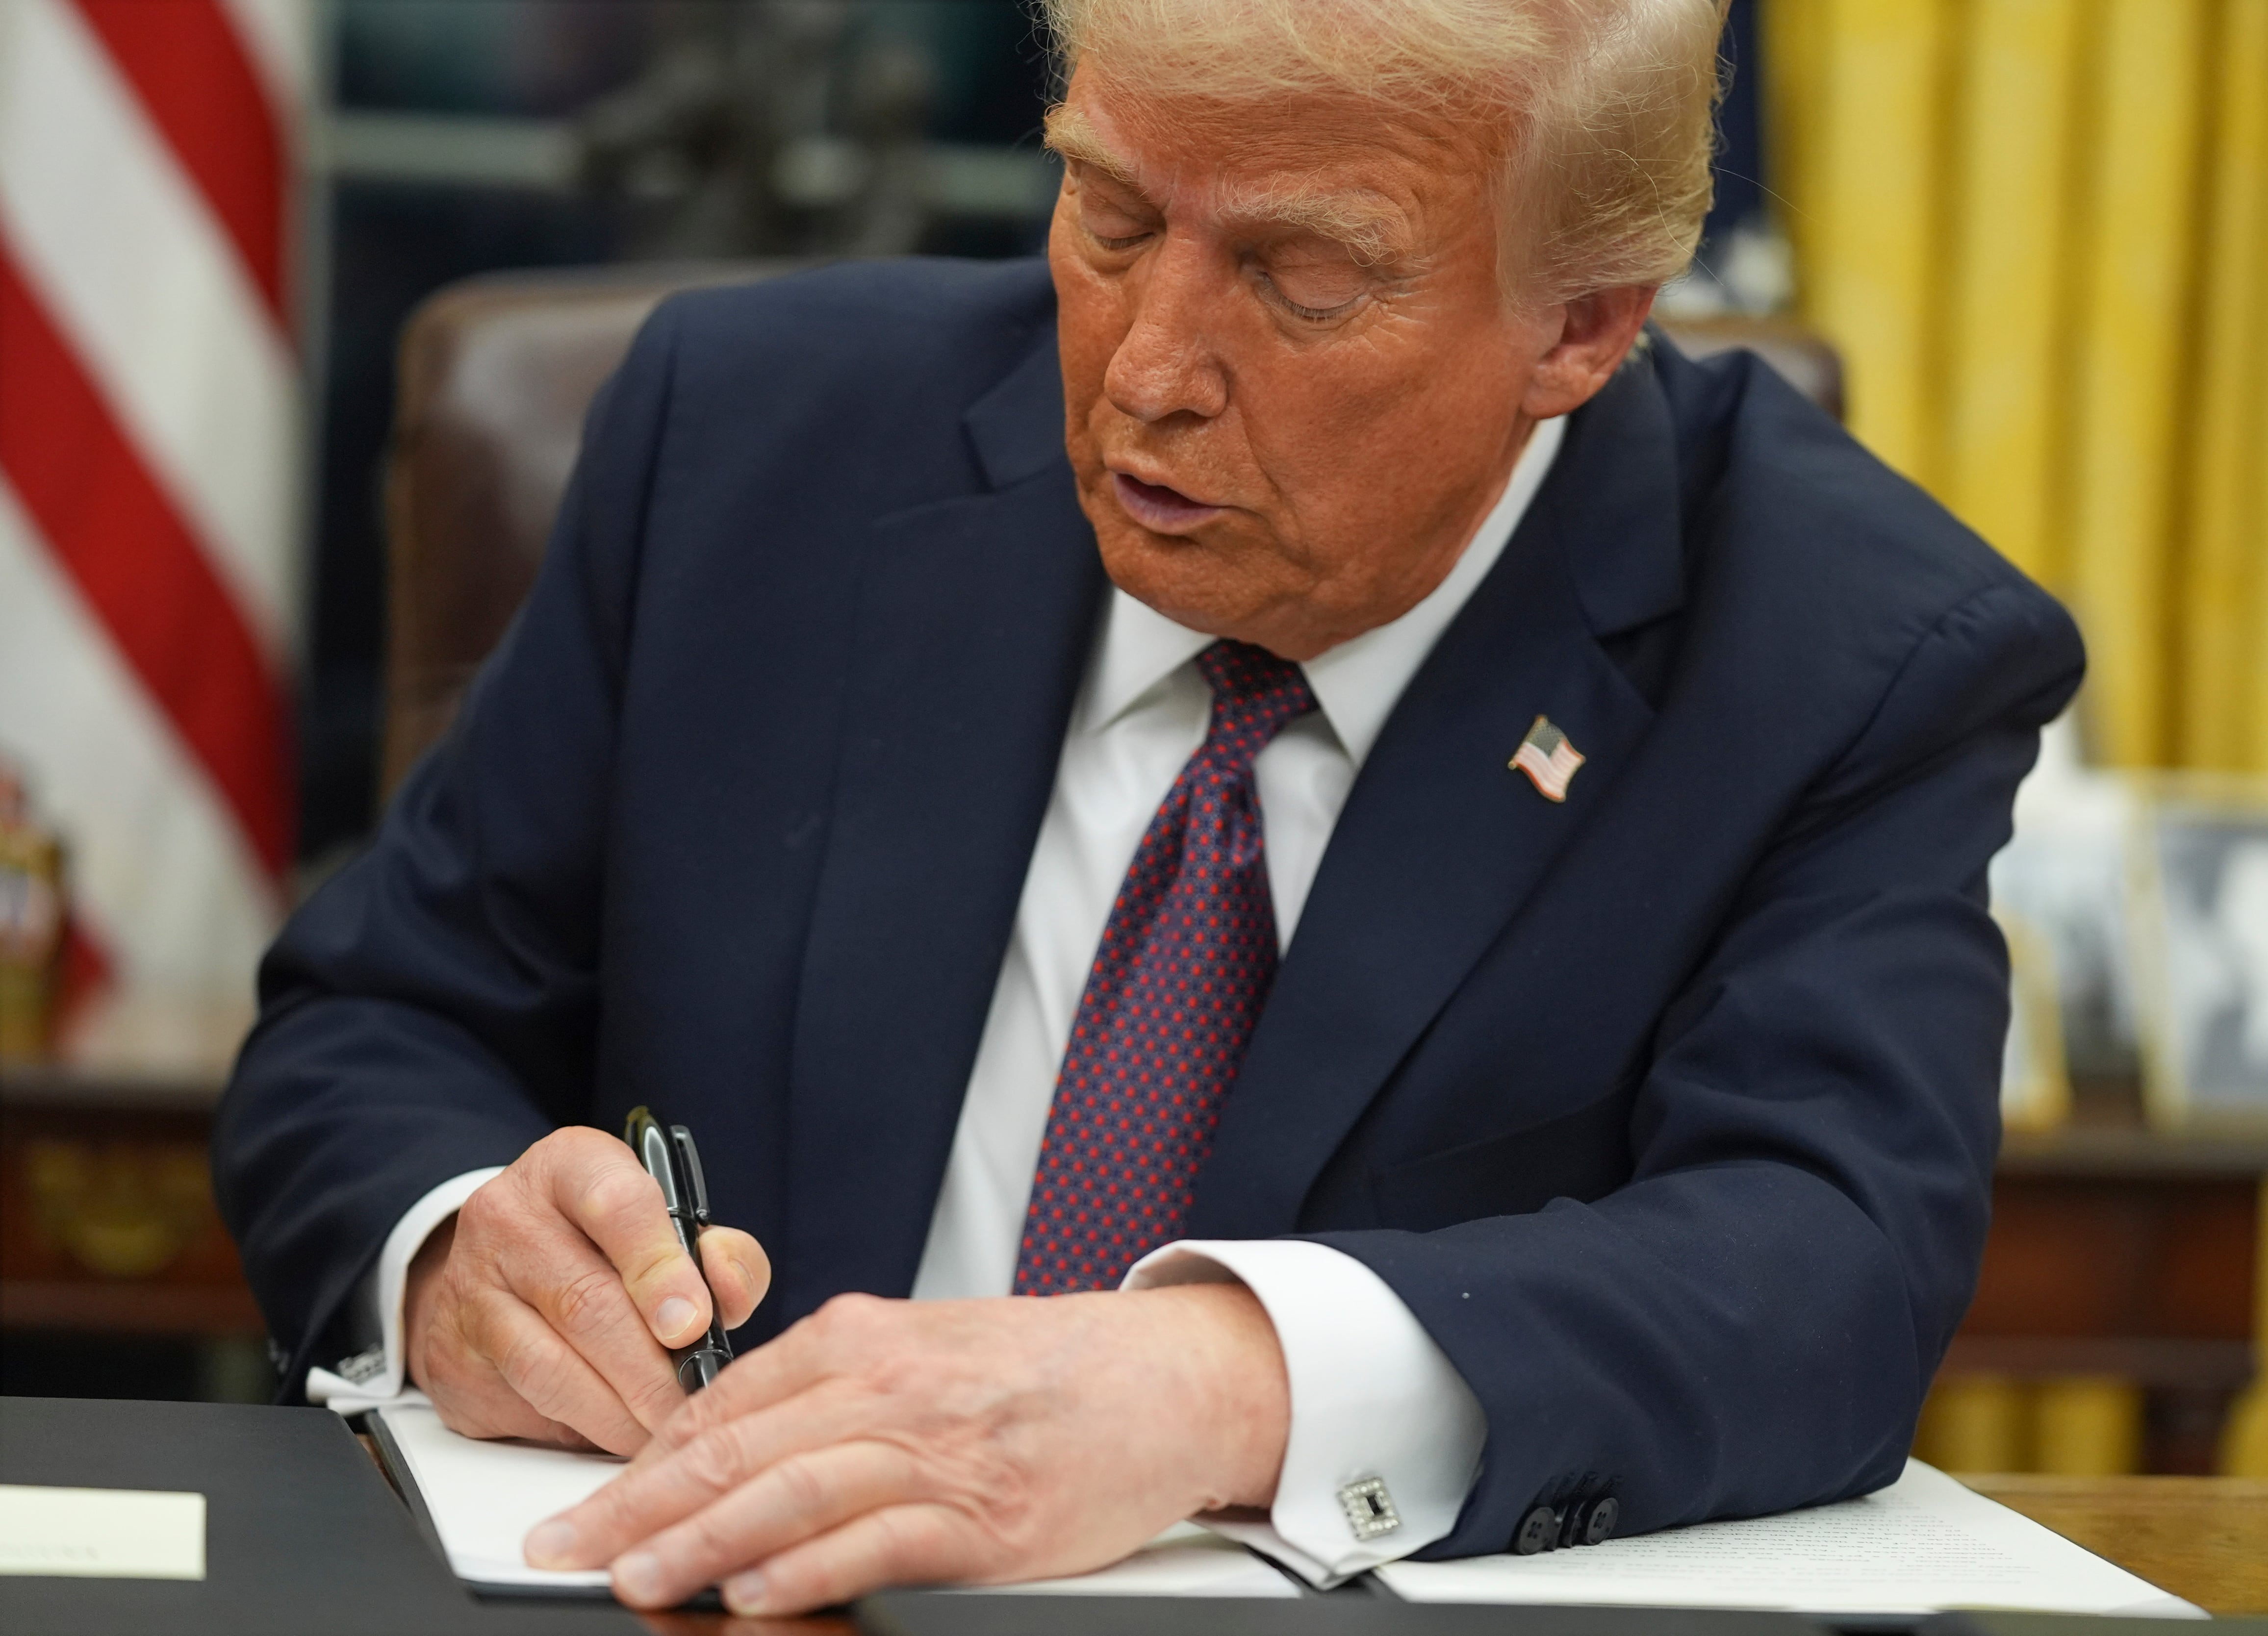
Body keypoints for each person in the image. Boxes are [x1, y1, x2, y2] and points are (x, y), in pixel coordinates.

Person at [214, 0, 2084, 1617]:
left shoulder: (1849, 654)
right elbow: (377, 1023)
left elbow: (1827, 1262)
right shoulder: (747, 442)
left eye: (1301, 276)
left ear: (1582, 327)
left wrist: (1215, 1378)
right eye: (1108, 213)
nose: (1145, 374)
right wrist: (459, 1248)